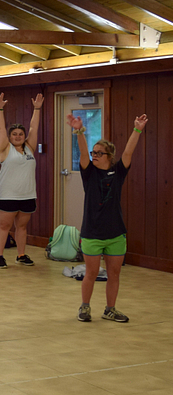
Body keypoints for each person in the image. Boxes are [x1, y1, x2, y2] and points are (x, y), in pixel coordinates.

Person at [67, 112, 147, 323]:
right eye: (94, 152)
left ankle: (110, 309)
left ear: (109, 156)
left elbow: (129, 151)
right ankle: (85, 307)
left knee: (114, 274)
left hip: (115, 234)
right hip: (92, 233)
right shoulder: (89, 173)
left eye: (99, 153)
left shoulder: (118, 172)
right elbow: (83, 153)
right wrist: (78, 131)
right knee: (91, 273)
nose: (94, 156)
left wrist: (137, 128)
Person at [0, 92, 44, 268]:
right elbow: (1, 128)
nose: (17, 136)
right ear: (10, 136)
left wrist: (37, 109)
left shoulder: (29, 148)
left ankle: (21, 255)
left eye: (20, 134)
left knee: (21, 227)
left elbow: (34, 128)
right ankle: (0, 256)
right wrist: (0, 108)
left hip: (27, 194)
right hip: (8, 195)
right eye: (14, 134)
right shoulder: (5, 149)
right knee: (4, 226)